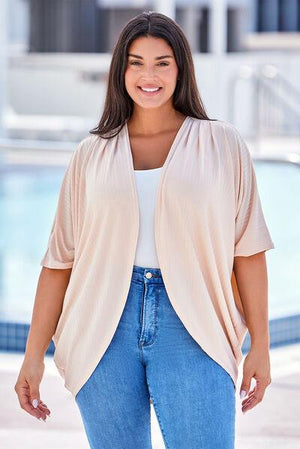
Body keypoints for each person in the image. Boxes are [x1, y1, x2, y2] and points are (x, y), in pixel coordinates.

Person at [14, 11, 275, 449]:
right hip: (102, 327)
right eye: (135, 62)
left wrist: (261, 347)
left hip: (194, 323)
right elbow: (59, 262)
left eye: (162, 62)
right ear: (120, 71)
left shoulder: (221, 144)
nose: (147, 75)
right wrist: (32, 356)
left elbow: (248, 251)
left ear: (181, 69)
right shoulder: (90, 154)